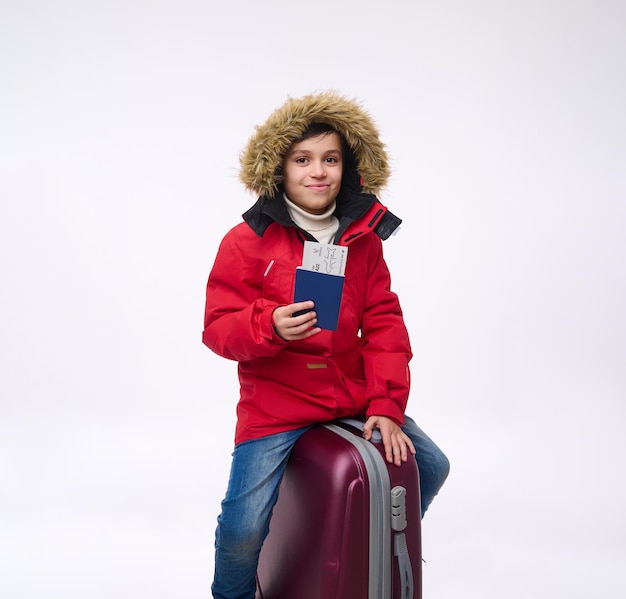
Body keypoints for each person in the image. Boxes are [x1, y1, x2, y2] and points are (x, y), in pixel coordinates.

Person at [202, 91, 449, 599]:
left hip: (349, 394)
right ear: (280, 168)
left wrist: (384, 404)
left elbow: (384, 324)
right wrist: (268, 324)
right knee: (242, 527)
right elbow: (217, 327)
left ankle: (370, 541)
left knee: (430, 465)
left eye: (331, 159)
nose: (318, 172)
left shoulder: (363, 240)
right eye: (303, 159)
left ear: (349, 166)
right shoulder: (246, 241)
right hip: (275, 407)